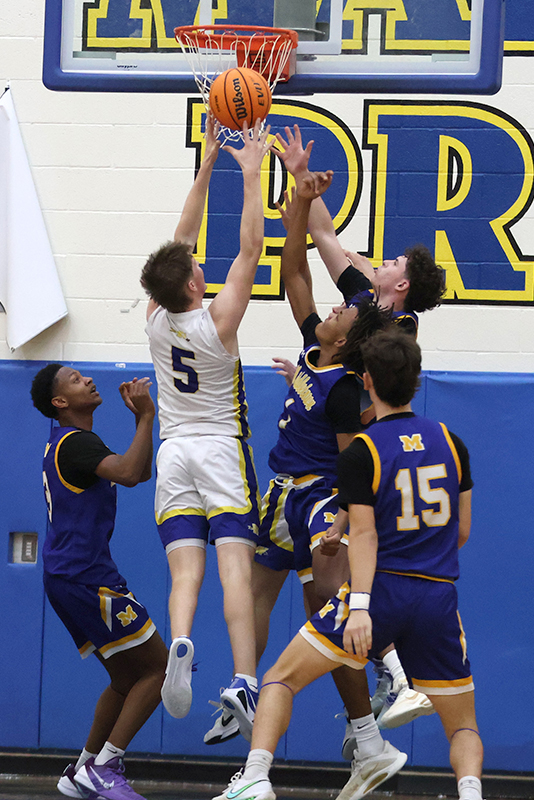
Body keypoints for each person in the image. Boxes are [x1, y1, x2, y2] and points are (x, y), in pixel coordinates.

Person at [213, 328, 482, 800]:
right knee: (462, 725)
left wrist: (359, 605)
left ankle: (256, 776)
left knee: (279, 679)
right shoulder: (452, 442)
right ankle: (471, 791)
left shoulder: (364, 450)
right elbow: (460, 532)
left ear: (368, 382)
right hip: (439, 595)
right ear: (417, 378)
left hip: (381, 592)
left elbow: (366, 534)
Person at [205, 168, 406, 781]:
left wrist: (344, 516)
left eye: (344, 310)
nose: (337, 306)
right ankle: (247, 684)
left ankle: (390, 676)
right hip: (280, 494)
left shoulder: (345, 386)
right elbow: (293, 269)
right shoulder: (312, 347)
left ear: (348, 339)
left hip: (321, 496)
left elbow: (353, 459)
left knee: (330, 604)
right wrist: (297, 202)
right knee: (256, 592)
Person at [140, 116, 274, 740]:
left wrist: (206, 163)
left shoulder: (154, 317)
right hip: (220, 449)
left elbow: (181, 238)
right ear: (195, 284)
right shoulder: (218, 319)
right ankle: (244, 678)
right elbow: (250, 249)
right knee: (235, 570)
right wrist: (250, 170)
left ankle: (182, 639)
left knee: (184, 573)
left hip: (173, 454)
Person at [30, 364, 168, 800]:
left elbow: (138, 473)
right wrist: (147, 416)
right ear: (60, 402)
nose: (87, 380)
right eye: (75, 380)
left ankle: (82, 770)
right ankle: (106, 766)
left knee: (126, 678)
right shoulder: (76, 443)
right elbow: (128, 473)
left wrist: (141, 420)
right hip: (85, 576)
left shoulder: (70, 443)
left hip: (68, 576)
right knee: (160, 669)